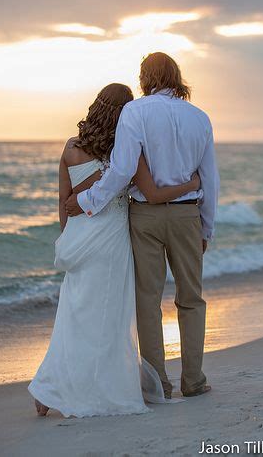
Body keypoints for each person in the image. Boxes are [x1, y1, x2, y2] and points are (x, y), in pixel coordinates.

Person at [28, 83, 201, 417]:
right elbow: (151, 194)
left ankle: (49, 388)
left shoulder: (70, 148)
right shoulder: (125, 153)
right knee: (108, 318)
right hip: (111, 242)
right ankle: (97, 387)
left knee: (74, 317)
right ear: (124, 114)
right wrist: (192, 185)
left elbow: (64, 205)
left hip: (79, 242)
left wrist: (71, 243)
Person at [66, 53, 220, 399]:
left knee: (148, 301)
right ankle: (193, 381)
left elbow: (121, 170)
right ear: (176, 77)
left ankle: (157, 385)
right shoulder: (200, 118)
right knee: (192, 299)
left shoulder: (135, 112)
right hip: (186, 216)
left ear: (146, 77)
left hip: (146, 216)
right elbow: (209, 179)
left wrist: (88, 202)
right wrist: (206, 229)